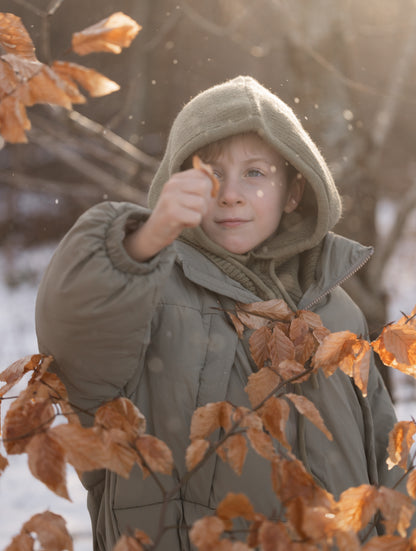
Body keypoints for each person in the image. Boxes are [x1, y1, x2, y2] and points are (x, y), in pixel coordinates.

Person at [35, 76, 404, 551]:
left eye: (255, 173)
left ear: (293, 192)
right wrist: (142, 242)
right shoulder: (148, 294)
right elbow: (74, 341)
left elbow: (385, 457)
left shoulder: (335, 309)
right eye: (210, 172)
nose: (230, 194)